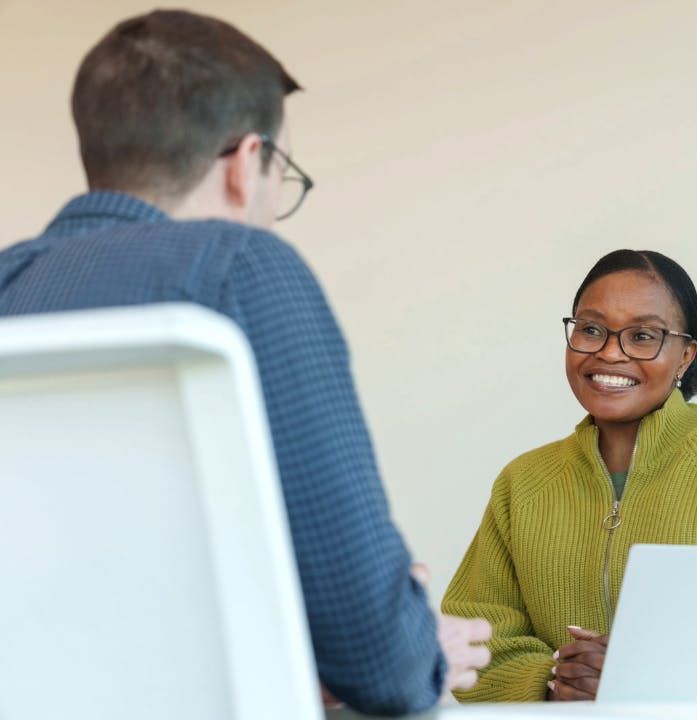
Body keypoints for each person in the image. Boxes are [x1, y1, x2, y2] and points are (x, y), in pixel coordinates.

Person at [0, 10, 490, 716]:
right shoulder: (240, 268)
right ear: (243, 163)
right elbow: (380, 663)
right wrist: (416, 648)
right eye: (280, 173)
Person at [441, 249, 697, 702]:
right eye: (592, 329)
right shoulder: (523, 482)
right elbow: (474, 637)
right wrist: (554, 679)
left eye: (642, 336)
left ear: (685, 356)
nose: (609, 352)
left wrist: (639, 675)